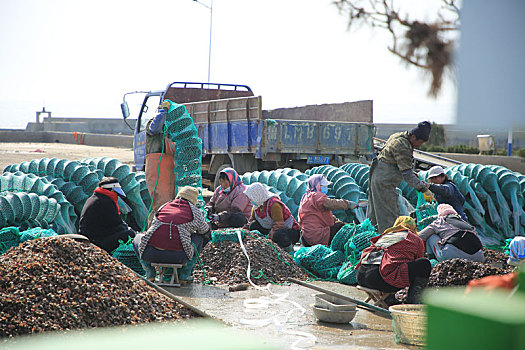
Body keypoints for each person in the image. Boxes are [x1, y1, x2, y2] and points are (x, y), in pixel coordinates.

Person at [133, 186, 211, 282]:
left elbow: (152, 227)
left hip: (150, 254)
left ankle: (150, 273)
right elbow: (205, 230)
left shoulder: (164, 206)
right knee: (199, 237)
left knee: (137, 237)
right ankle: (185, 275)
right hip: (179, 256)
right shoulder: (195, 212)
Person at [367, 121, 434, 234]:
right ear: (413, 137)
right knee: (389, 216)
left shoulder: (398, 135)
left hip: (376, 175)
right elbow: (407, 173)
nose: (419, 145)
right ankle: (388, 244)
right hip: (385, 181)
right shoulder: (403, 146)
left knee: (375, 214)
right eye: (420, 142)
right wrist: (423, 188)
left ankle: (372, 238)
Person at [356, 216, 431, 305]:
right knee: (424, 264)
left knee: (394, 263)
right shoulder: (415, 239)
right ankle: (414, 300)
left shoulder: (386, 235)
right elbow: (419, 259)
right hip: (381, 280)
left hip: (361, 276)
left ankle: (388, 298)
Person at [79, 177, 136, 253]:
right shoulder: (105, 201)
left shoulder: (95, 198)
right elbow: (117, 224)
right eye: (116, 193)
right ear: (112, 190)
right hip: (95, 242)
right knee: (130, 233)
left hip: (91, 238)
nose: (117, 196)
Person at [298, 174, 356, 247]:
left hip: (307, 236)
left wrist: (334, 219)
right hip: (317, 235)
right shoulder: (315, 196)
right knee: (345, 229)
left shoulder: (306, 197)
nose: (326, 188)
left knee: (339, 225)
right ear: (317, 186)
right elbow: (331, 203)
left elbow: (319, 216)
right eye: (324, 186)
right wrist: (348, 204)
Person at [243, 182, 301, 254]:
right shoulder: (256, 206)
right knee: (253, 225)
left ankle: (288, 249)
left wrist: (269, 238)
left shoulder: (274, 204)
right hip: (270, 229)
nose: (250, 200)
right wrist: (243, 230)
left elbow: (279, 224)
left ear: (257, 195)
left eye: (251, 197)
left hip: (289, 231)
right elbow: (251, 221)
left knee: (279, 234)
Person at [418, 204, 485, 263]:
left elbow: (420, 236)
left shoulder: (440, 221)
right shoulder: (464, 222)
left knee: (431, 236)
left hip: (452, 257)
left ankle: (432, 261)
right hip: (479, 257)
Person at [145, 100, 177, 221]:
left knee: (171, 202)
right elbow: (154, 128)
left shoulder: (172, 128)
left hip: (169, 168)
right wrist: (163, 113)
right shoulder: (152, 123)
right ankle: (155, 229)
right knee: (160, 203)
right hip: (156, 167)